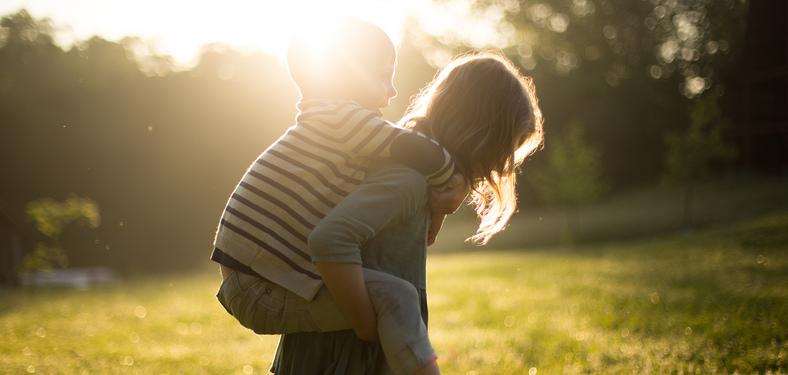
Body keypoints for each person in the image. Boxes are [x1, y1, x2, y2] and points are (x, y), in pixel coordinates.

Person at [212, 17, 467, 375]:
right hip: (260, 287)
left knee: (391, 298)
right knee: (397, 297)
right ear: (343, 77)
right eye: (382, 76)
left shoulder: (329, 123)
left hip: (257, 280)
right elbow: (416, 149)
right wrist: (452, 180)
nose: (392, 91)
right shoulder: (340, 119)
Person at [271, 52, 544, 374]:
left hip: (359, 344)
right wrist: (366, 324)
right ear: (480, 134)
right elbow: (332, 239)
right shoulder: (407, 179)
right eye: (504, 148)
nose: (501, 165)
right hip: (346, 352)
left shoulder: (418, 174)